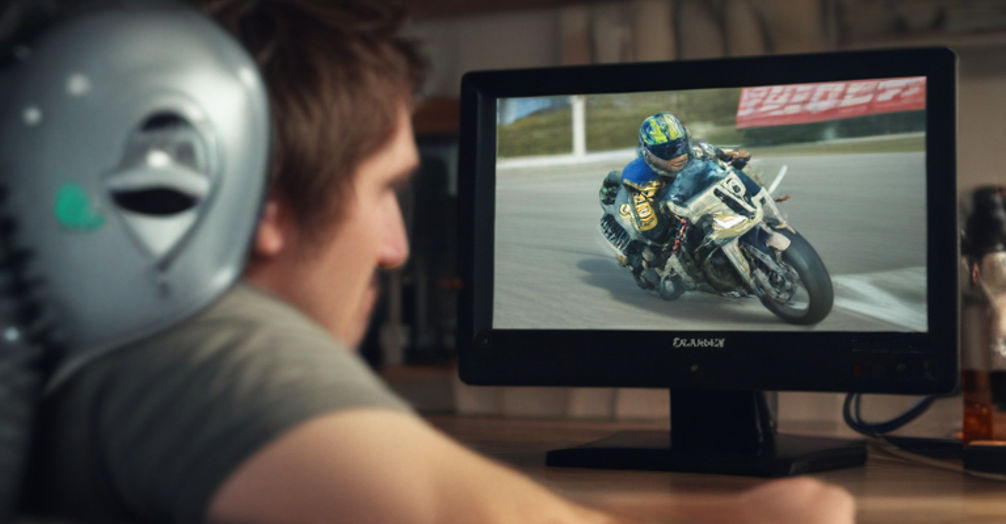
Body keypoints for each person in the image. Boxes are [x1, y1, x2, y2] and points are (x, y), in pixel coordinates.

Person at [15, 2, 855, 523]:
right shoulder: (189, 350)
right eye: (385, 190)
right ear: (256, 200)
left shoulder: (73, 331)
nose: (397, 247)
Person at [600, 112, 765, 283]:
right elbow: (652, 230)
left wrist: (736, 157)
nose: (677, 154)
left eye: (680, 145)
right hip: (656, 206)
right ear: (649, 153)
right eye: (666, 151)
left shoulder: (694, 150)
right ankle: (643, 263)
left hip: (692, 196)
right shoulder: (638, 178)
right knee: (656, 247)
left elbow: (721, 155)